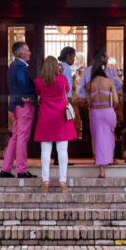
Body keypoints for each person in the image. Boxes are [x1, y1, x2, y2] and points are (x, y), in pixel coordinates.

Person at [34, 56, 78, 192]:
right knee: (62, 150)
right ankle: (62, 182)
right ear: (56, 67)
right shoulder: (62, 79)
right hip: (61, 118)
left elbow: (38, 94)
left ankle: (45, 181)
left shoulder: (38, 82)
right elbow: (67, 89)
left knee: (45, 151)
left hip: (45, 118)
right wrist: (62, 72)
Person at [1, 41, 37, 179]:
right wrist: (28, 96)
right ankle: (22, 170)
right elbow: (22, 82)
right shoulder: (21, 67)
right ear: (21, 53)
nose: (30, 52)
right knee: (22, 137)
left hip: (14, 106)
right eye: (27, 50)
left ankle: (5, 169)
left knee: (15, 137)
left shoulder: (12, 66)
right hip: (24, 106)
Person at [88, 62, 121, 178]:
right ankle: (110, 158)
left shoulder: (90, 84)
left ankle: (102, 170)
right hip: (108, 111)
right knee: (109, 135)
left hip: (96, 113)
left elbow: (89, 103)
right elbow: (116, 100)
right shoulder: (110, 82)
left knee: (99, 139)